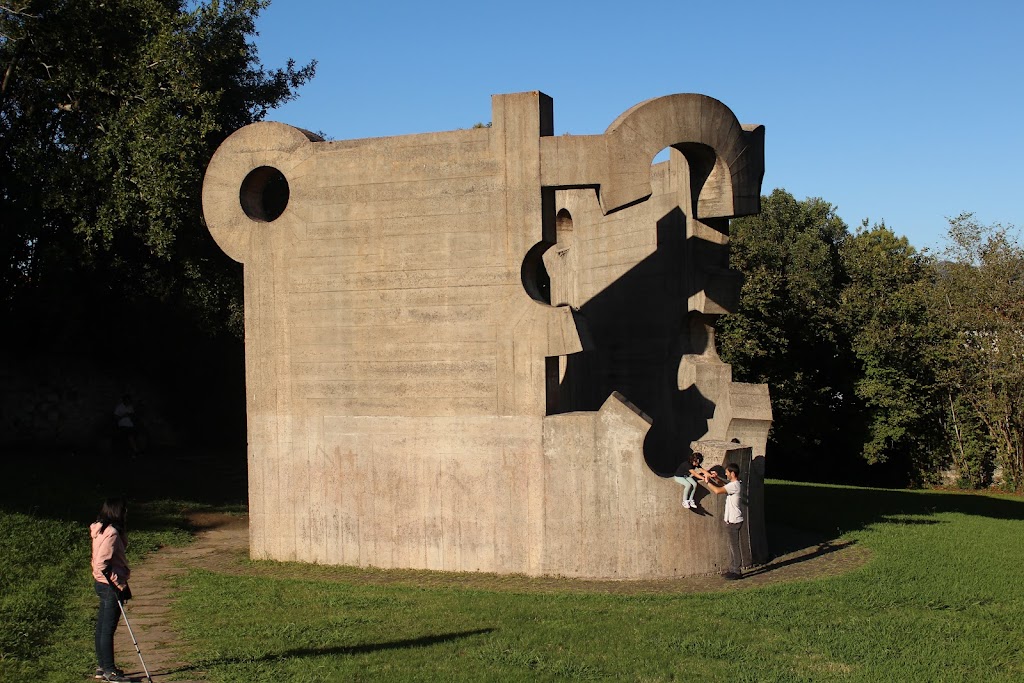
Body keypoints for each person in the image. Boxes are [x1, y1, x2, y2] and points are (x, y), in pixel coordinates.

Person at [90, 498, 132, 682]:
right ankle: (109, 670)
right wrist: (117, 584)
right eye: (124, 511)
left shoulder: (100, 529)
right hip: (109, 586)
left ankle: (102, 666)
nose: (126, 514)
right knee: (108, 629)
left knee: (102, 628)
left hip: (101, 584)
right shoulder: (112, 533)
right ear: (118, 512)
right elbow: (101, 563)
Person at [706, 462, 744, 580]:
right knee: (731, 546)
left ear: (732, 473)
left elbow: (718, 491)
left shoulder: (735, 485)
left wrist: (707, 482)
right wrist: (716, 478)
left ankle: (737, 571)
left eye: (727, 472)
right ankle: (733, 569)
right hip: (732, 521)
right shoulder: (734, 484)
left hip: (734, 521)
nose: (726, 474)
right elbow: (723, 485)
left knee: (734, 547)